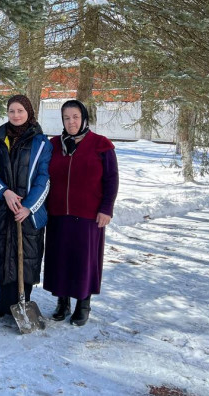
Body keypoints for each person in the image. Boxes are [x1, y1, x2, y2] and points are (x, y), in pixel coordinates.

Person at [43, 99, 119, 326]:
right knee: (60, 259)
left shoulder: (101, 144)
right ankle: (62, 302)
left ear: (84, 118)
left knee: (83, 261)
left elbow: (111, 179)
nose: (71, 122)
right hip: (57, 213)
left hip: (88, 215)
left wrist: (107, 208)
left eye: (75, 117)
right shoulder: (54, 144)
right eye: (67, 118)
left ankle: (82, 304)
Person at [0, 95, 52, 318]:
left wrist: (28, 207)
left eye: (20, 110)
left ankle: (23, 301)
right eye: (12, 111)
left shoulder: (41, 143)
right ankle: (4, 303)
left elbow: (44, 178)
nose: (16, 115)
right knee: (2, 255)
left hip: (28, 211)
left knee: (26, 256)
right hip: (2, 207)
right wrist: (5, 192)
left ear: (29, 111)